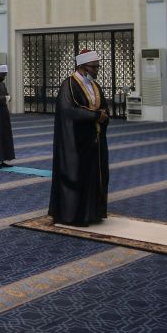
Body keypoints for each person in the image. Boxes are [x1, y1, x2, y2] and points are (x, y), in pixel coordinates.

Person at [48, 49, 111, 226]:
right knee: (78, 177)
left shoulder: (94, 86)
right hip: (75, 142)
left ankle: (92, 213)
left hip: (94, 141)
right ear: (83, 67)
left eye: (98, 67)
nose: (97, 70)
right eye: (94, 67)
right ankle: (74, 216)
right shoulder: (68, 85)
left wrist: (103, 115)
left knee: (95, 176)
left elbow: (103, 107)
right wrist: (94, 116)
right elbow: (68, 111)